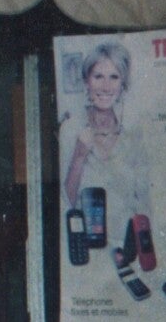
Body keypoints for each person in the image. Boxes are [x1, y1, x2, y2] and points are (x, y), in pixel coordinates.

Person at [59, 41, 151, 266]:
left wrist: (133, 251)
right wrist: (79, 155)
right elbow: (67, 203)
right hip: (86, 253)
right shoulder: (71, 129)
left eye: (114, 77)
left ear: (123, 85)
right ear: (86, 82)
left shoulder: (133, 133)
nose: (106, 86)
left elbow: (143, 201)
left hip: (127, 251)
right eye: (98, 76)